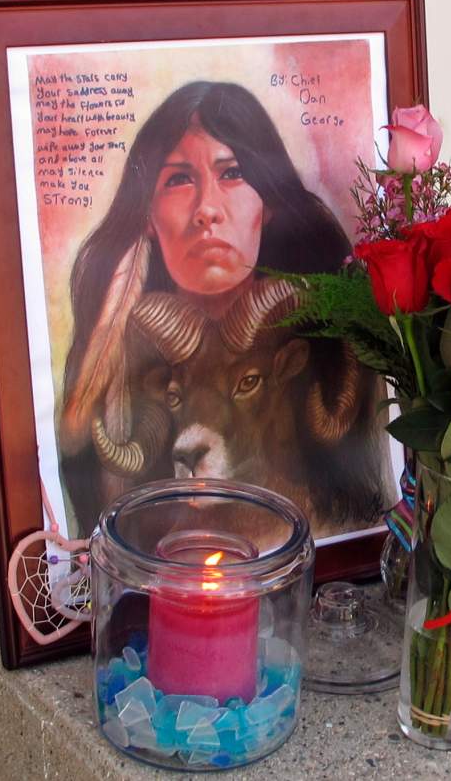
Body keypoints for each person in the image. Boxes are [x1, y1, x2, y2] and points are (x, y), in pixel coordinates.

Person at [57, 81, 388, 536]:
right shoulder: (126, 355)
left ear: (267, 203)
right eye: (177, 179)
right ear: (148, 216)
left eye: (231, 173)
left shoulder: (328, 348)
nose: (206, 209)